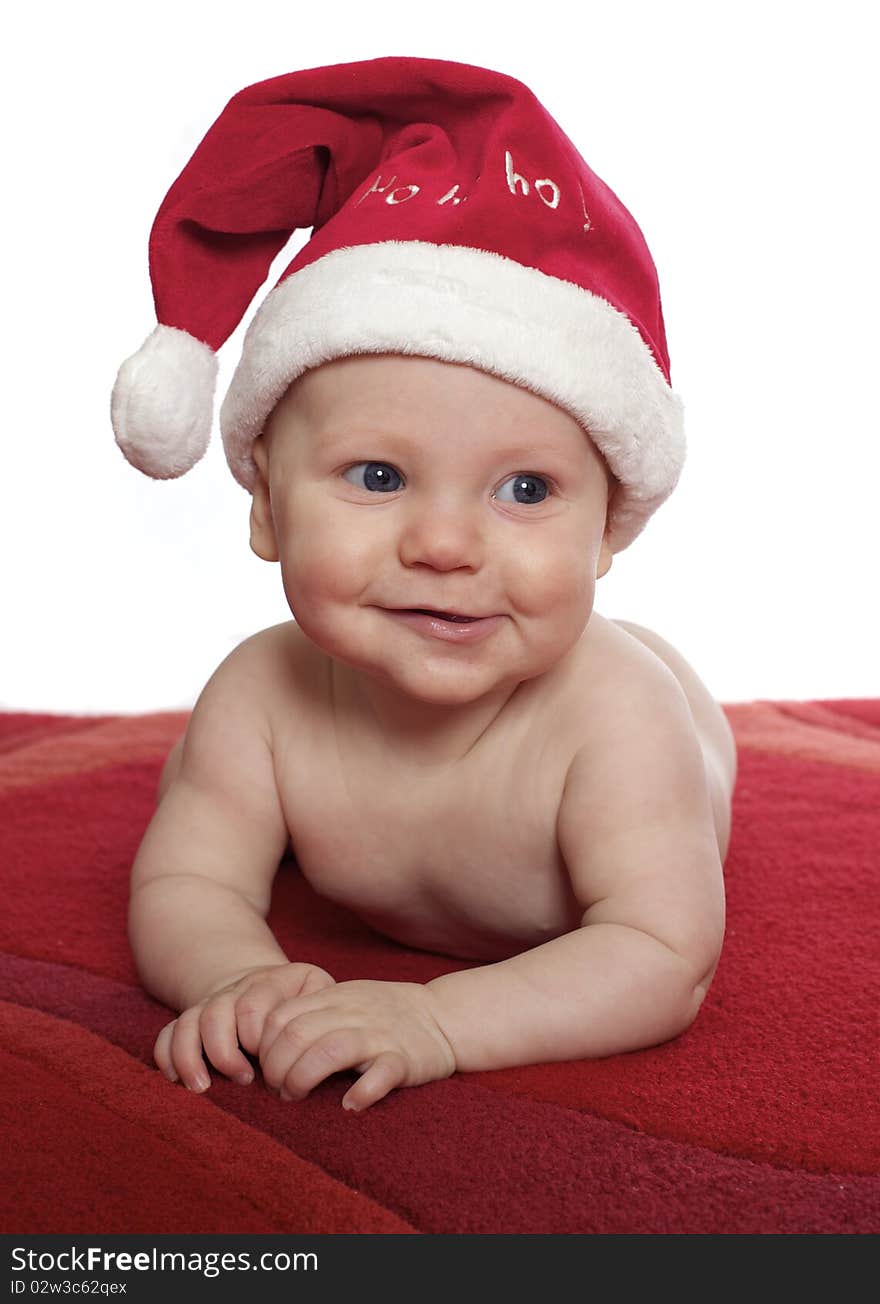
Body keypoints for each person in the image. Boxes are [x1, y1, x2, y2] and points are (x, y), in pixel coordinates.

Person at [112, 56, 737, 1113]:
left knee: (654, 679)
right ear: (266, 506)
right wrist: (234, 975)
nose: (444, 545)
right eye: (378, 475)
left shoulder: (611, 724)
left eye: (527, 487)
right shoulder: (262, 699)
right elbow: (187, 879)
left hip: (663, 717)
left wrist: (437, 1017)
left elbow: (660, 949)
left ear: (605, 531)